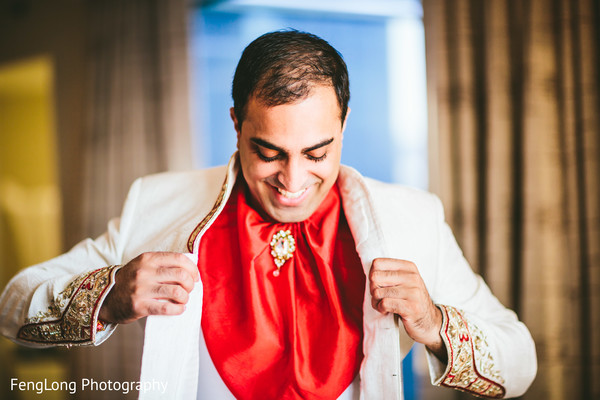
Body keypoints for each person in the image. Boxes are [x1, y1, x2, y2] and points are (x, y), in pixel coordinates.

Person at [0, 30, 536, 399]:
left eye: (317, 153)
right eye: (269, 151)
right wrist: (111, 294)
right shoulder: (156, 202)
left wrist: (436, 324)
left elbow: (521, 364)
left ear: (345, 121)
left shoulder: (414, 217)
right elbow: (13, 306)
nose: (293, 181)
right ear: (236, 123)